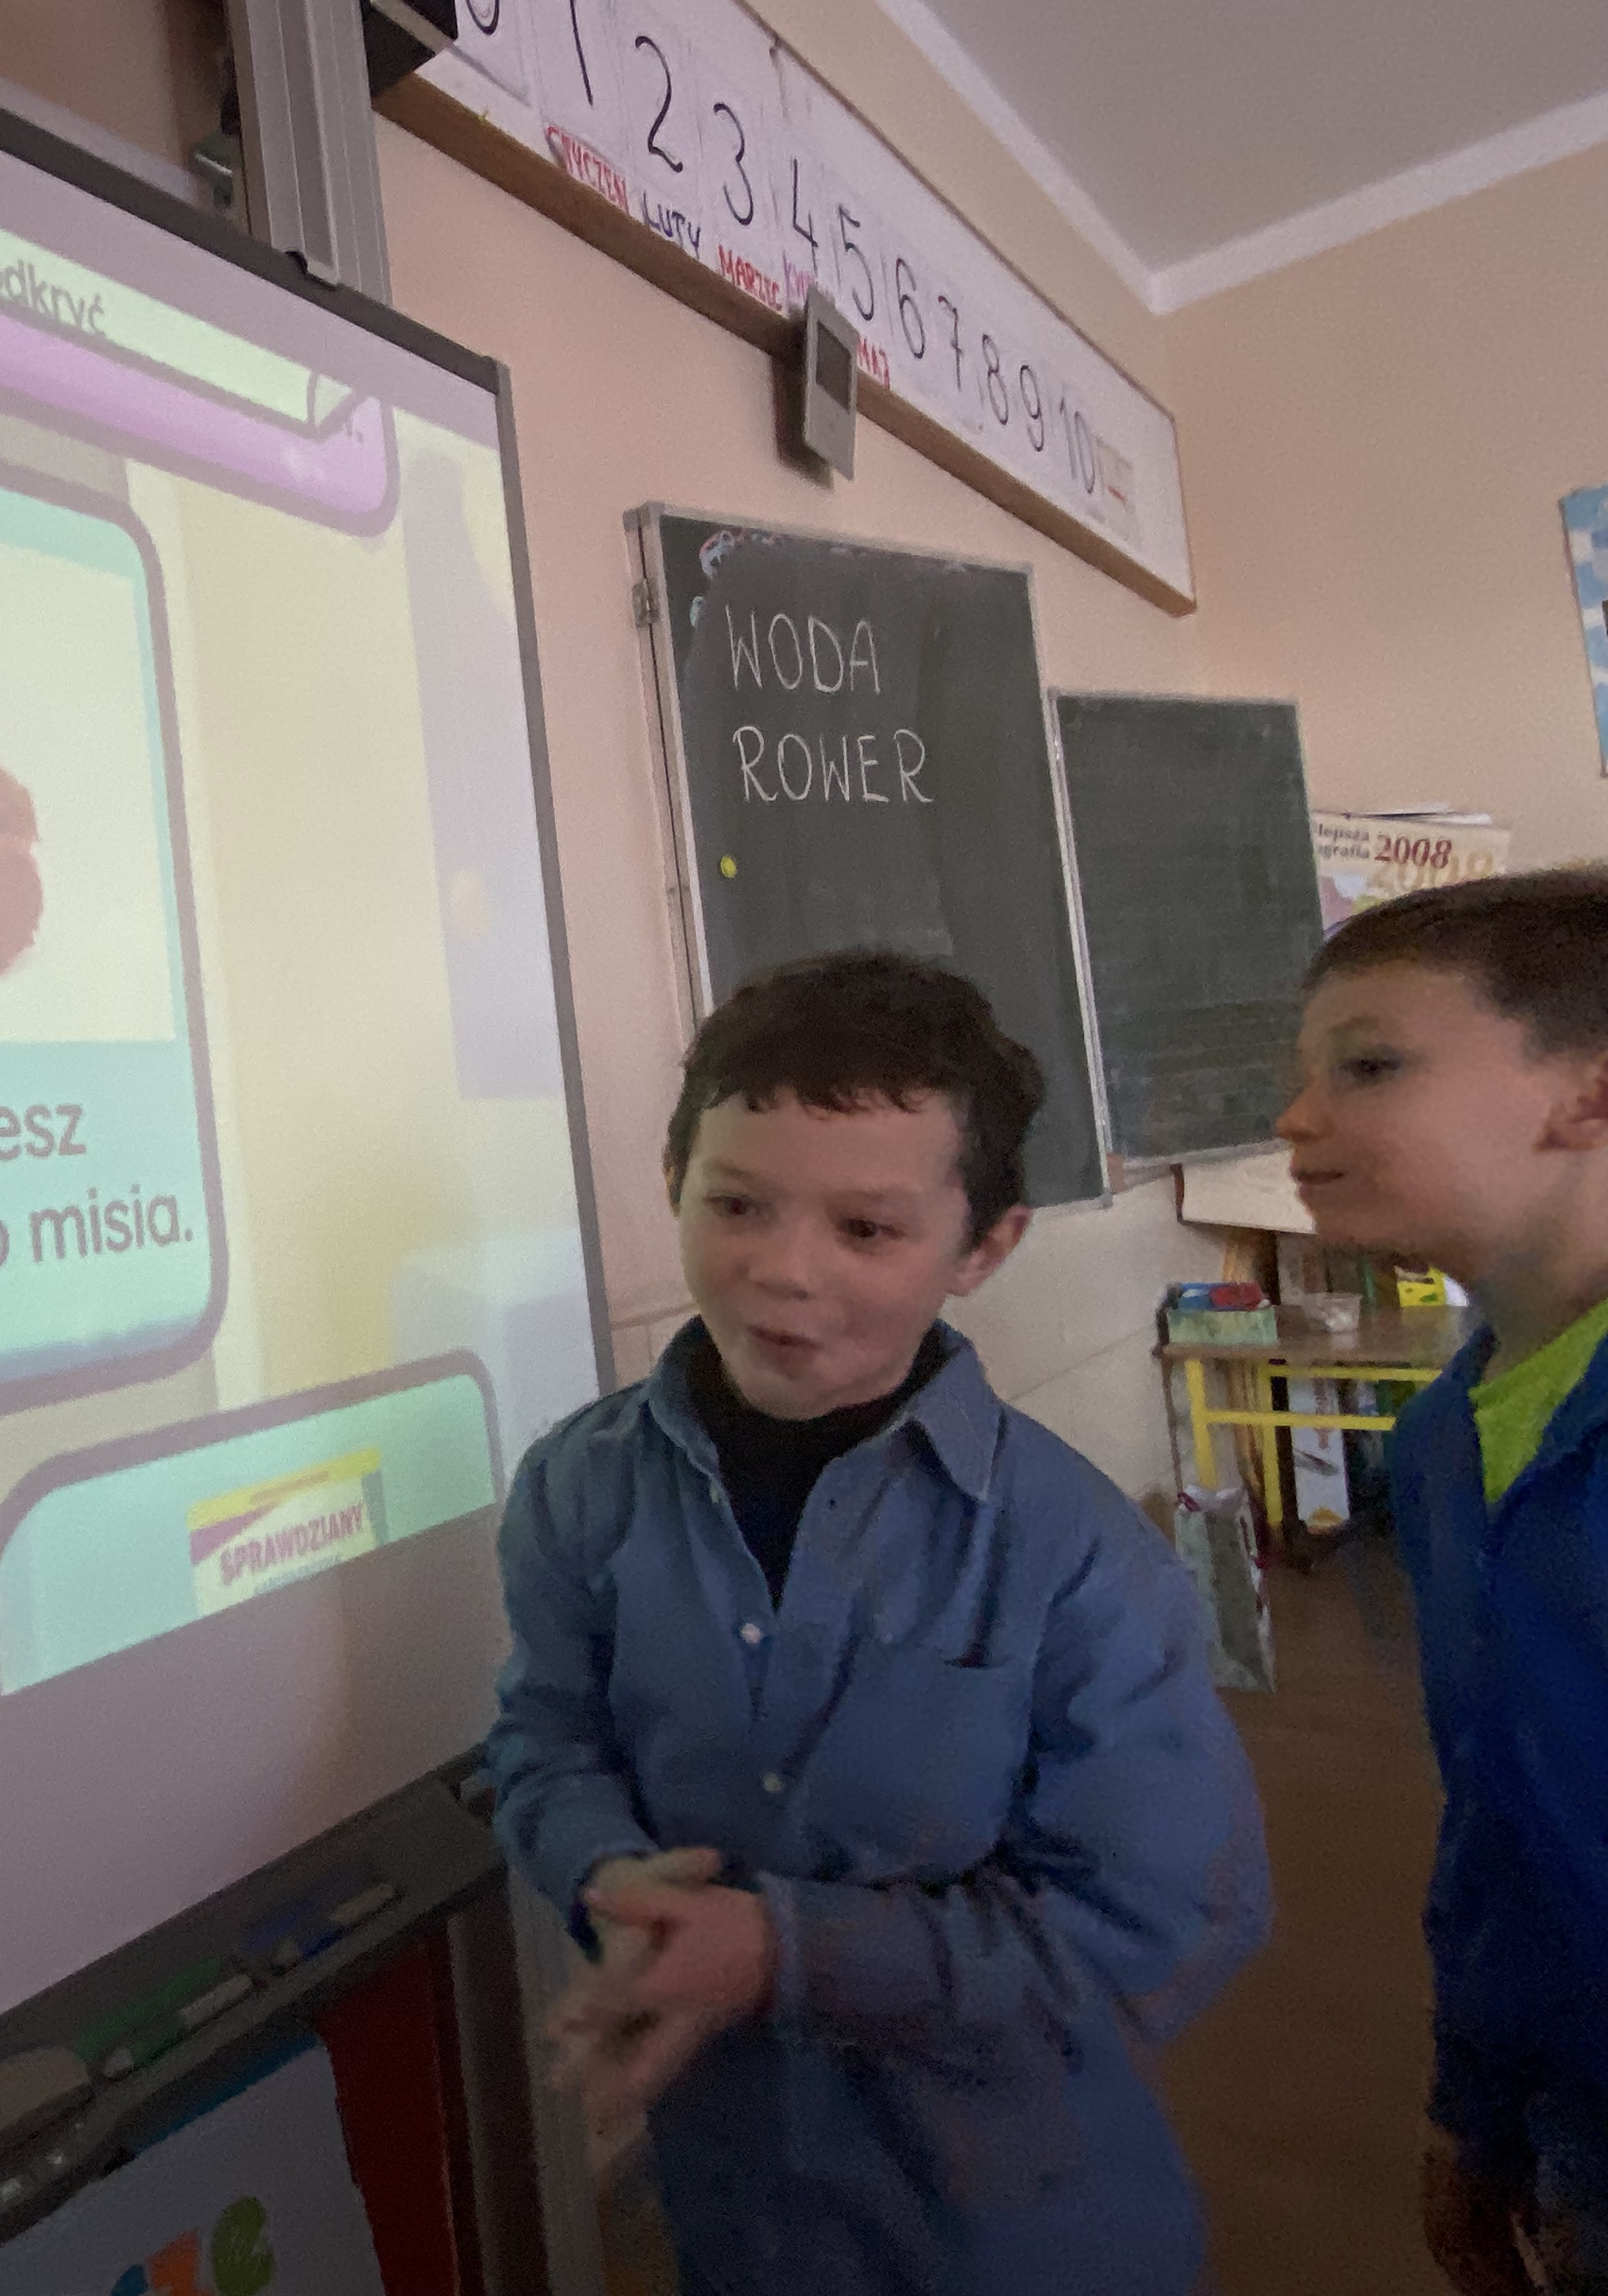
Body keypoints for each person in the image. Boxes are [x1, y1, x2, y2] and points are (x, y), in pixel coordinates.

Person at [487, 949, 1269, 2294]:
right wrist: (607, 1870)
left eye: (866, 1230)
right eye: (737, 1204)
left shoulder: (1072, 1552)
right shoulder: (580, 1484)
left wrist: (783, 1955)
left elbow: (1161, 1921)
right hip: (736, 2210)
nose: (784, 1272)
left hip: (1013, 2232)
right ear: (673, 1183)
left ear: (985, 1249)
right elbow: (545, 1738)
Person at [1275, 867, 1608, 2296]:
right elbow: (1502, 1815)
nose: (1296, 1120)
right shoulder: (1439, 1445)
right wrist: (1475, 2108)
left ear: (1588, 1096)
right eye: (1305, 1074)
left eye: (1370, 1067)